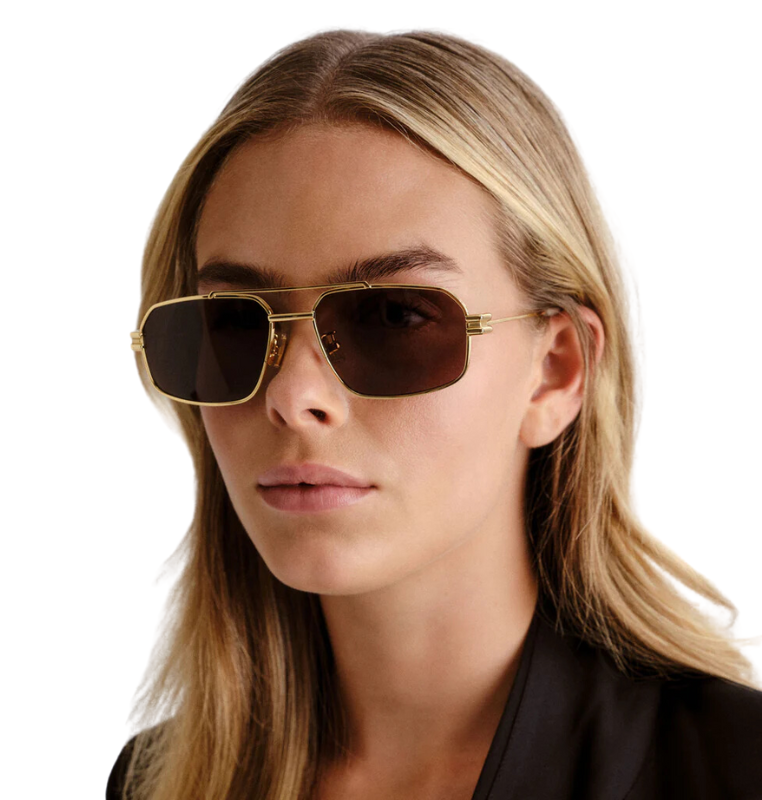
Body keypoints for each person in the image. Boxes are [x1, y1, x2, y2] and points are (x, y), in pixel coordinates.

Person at [108, 29, 762, 800]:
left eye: (394, 317)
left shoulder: (733, 770)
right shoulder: (157, 783)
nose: (292, 396)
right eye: (234, 324)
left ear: (556, 371)